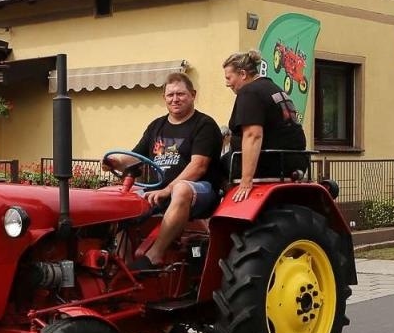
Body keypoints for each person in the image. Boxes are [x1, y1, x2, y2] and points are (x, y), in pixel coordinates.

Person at [120, 72, 222, 271]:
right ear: (164, 98)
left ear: (193, 94)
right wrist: (113, 161)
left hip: (201, 190)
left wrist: (168, 189)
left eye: (181, 94)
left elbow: (198, 166)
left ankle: (155, 254)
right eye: (170, 95)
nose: (175, 99)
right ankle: (121, 262)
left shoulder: (204, 125)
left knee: (181, 189)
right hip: (159, 189)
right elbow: (135, 156)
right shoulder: (157, 126)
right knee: (117, 198)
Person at [221, 50, 308, 203]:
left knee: (211, 167)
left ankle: (216, 214)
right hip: (295, 161)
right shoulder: (274, 88)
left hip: (269, 163)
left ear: (242, 74)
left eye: (229, 77)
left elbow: (253, 135)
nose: (227, 83)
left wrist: (246, 181)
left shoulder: (249, 92)